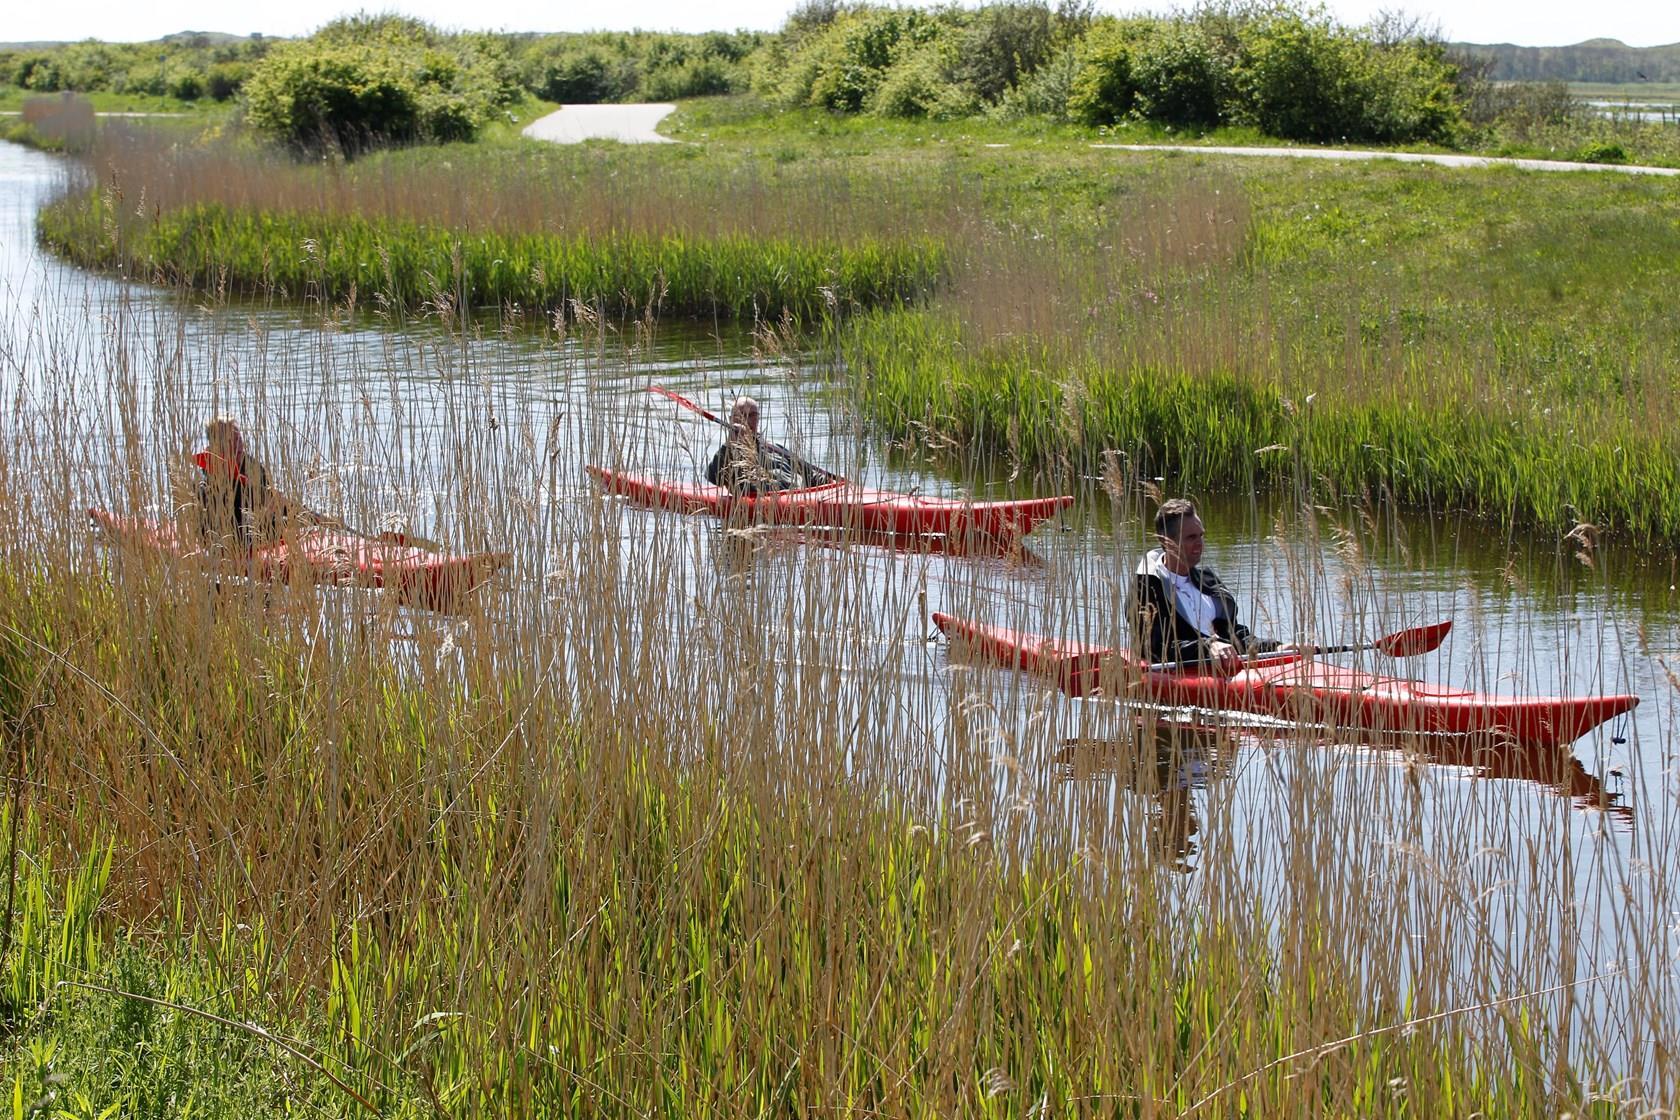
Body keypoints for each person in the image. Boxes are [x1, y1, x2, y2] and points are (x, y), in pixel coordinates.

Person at [1127, 498, 1288, 674]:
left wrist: (1274, 647)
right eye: (1191, 537)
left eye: (1201, 535)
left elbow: (1232, 634)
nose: (1199, 543)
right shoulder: (1146, 587)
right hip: (1181, 677)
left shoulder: (1208, 580)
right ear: (1165, 541)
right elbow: (1151, 647)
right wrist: (1207, 646)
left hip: (1224, 671)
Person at [193, 417, 299, 551]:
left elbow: (270, 498)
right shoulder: (207, 473)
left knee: (292, 518)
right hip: (224, 535)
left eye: (239, 440)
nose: (237, 446)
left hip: (252, 525)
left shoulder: (252, 466)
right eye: (230, 441)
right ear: (215, 445)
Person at [704, 396, 837, 496]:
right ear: (732, 419)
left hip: (799, 496)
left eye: (753, 415)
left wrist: (831, 483)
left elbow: (809, 474)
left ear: (758, 418)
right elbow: (713, 477)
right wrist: (730, 444)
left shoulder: (775, 447)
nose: (747, 420)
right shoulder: (730, 454)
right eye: (742, 415)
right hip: (773, 502)